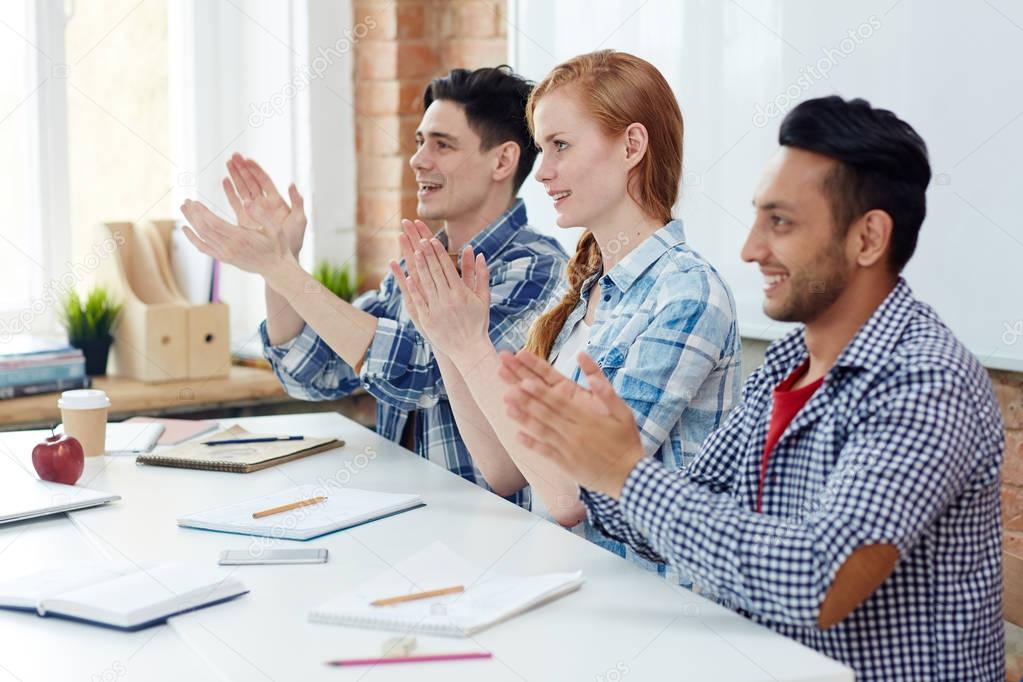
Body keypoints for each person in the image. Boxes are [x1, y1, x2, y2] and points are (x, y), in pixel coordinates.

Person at [498, 96, 1003, 680]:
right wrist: (594, 460)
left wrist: (625, 475)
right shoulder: (787, 366)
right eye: (759, 216)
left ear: (868, 239)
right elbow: (686, 513)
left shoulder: (926, 383)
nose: (750, 249)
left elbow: (820, 583)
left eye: (780, 222)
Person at [390, 50, 740, 580]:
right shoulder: (581, 291)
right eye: (542, 148)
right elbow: (505, 471)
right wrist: (445, 335)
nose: (544, 172)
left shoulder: (687, 294)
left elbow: (573, 494)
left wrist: (472, 346)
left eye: (560, 146)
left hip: (648, 611)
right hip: (566, 587)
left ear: (631, 146)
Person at [179, 66, 568, 508]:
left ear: (502, 161)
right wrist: (278, 263)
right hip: (408, 520)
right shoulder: (419, 263)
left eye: (442, 144)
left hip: (492, 534)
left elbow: (423, 368)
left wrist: (284, 270)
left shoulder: (539, 270)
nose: (419, 160)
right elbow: (311, 370)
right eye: (421, 142)